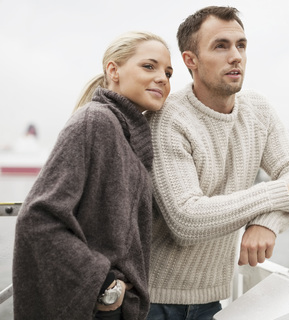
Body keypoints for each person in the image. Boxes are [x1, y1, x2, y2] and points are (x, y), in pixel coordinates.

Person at [147, 6, 289, 320]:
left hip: (211, 300)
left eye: (241, 45)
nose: (236, 56)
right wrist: (275, 195)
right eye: (221, 46)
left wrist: (266, 223)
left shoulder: (257, 110)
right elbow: (187, 218)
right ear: (190, 61)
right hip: (153, 303)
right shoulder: (168, 119)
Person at [12, 31, 173, 320]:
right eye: (150, 66)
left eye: (168, 72)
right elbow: (37, 219)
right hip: (99, 307)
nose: (163, 77)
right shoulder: (95, 122)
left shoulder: (125, 133)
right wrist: (104, 283)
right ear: (113, 70)